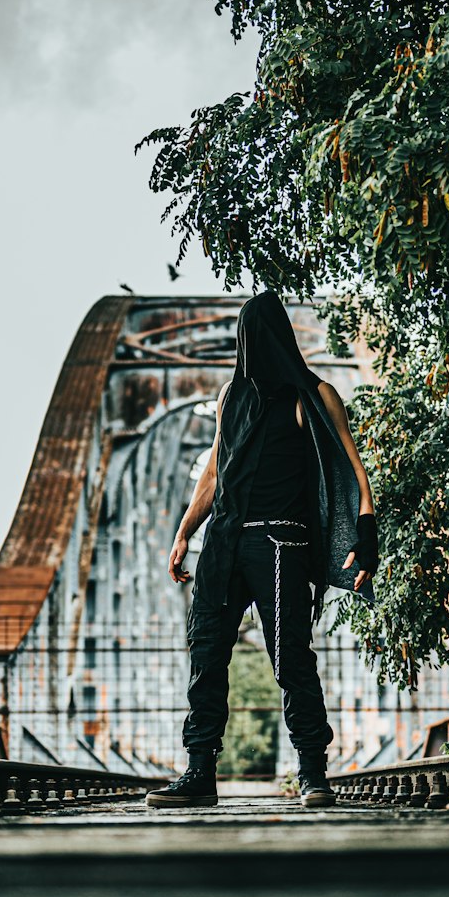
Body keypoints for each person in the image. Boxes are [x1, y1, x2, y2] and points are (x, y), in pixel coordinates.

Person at [147, 290, 378, 811]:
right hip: (224, 541)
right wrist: (185, 531)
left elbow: (351, 471)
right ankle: (199, 771)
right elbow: (213, 471)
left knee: (290, 658)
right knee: (206, 655)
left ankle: (313, 773)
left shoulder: (313, 396)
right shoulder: (232, 396)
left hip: (281, 541)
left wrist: (365, 541)